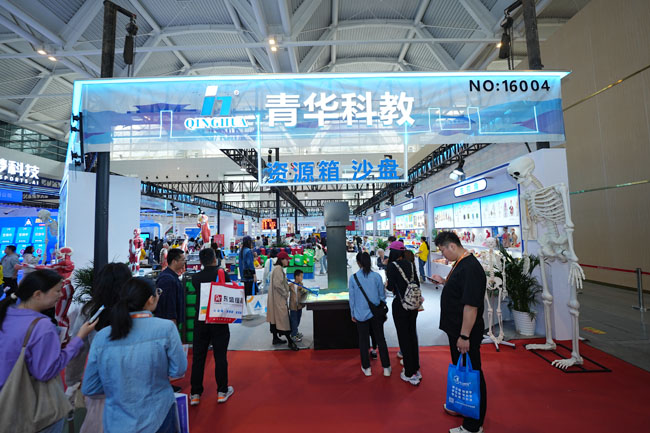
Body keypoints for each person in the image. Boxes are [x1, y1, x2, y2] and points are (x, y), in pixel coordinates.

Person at [82, 278, 187, 433]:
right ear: (150, 299)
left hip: (116, 421)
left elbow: (90, 387)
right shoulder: (166, 328)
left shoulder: (102, 336)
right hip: (159, 415)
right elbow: (178, 370)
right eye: (158, 292)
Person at [0, 270, 96, 433]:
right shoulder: (42, 326)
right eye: (57, 291)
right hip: (30, 408)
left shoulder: (6, 313)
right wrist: (79, 338)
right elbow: (45, 371)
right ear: (38, 294)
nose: (61, 295)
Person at [431, 231, 488, 433]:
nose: (443, 255)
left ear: (452, 246)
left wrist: (464, 336)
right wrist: (444, 282)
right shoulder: (461, 263)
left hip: (465, 332)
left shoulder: (470, 267)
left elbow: (471, 306)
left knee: (472, 374)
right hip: (456, 329)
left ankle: (473, 425)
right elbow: (460, 290)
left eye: (443, 251)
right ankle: (462, 405)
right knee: (461, 371)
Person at [67, 262, 132, 433]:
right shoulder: (136, 310)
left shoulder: (90, 312)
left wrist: (73, 382)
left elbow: (78, 351)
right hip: (134, 381)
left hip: (101, 384)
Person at [189, 248, 234, 407]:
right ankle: (222, 391)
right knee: (220, 356)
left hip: (200, 321)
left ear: (201, 261)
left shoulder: (195, 278)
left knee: (198, 357)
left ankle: (195, 393)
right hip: (218, 320)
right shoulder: (222, 274)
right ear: (215, 258)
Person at [349, 252, 391, 377]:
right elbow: (382, 296)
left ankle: (366, 368)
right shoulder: (377, 277)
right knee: (380, 339)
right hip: (376, 314)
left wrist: (353, 313)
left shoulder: (353, 278)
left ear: (358, 263)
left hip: (360, 314)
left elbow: (352, 299)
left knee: (363, 341)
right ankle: (386, 367)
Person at [385, 241, 421, 386]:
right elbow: (417, 283)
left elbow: (390, 287)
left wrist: (390, 285)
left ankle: (409, 372)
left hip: (400, 305)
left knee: (403, 336)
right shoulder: (410, 264)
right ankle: (415, 367)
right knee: (412, 334)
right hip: (413, 304)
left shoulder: (392, 266)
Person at [266, 251, 298, 351]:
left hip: (275, 298)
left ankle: (275, 338)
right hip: (278, 298)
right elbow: (278, 285)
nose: (288, 261)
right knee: (283, 319)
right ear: (282, 260)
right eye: (287, 259)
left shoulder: (277, 269)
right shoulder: (278, 269)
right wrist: (285, 293)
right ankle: (290, 341)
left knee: (275, 319)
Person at [154, 248, 186, 325]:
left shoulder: (171, 277)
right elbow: (169, 304)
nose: (184, 262)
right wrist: (172, 323)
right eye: (182, 260)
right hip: (168, 323)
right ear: (174, 261)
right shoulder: (168, 280)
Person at [288, 269, 307, 342]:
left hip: (299, 306)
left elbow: (304, 292)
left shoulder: (301, 285)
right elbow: (285, 290)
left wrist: (301, 289)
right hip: (293, 306)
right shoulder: (291, 285)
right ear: (296, 277)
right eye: (301, 276)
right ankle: (293, 335)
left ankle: (295, 332)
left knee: (298, 319)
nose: (302, 278)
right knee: (294, 321)